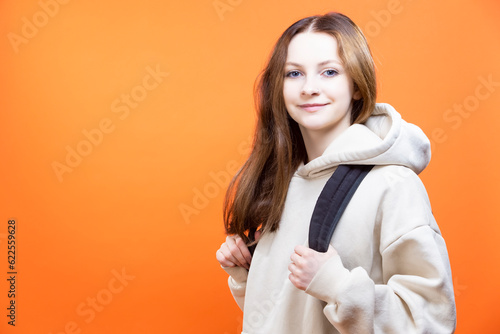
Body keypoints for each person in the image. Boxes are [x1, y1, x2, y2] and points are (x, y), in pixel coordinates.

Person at [215, 12, 456, 334]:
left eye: (329, 72)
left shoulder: (392, 185)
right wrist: (248, 272)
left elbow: (431, 322)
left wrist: (337, 285)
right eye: (294, 73)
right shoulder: (284, 183)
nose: (309, 88)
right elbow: (293, 318)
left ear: (356, 85)